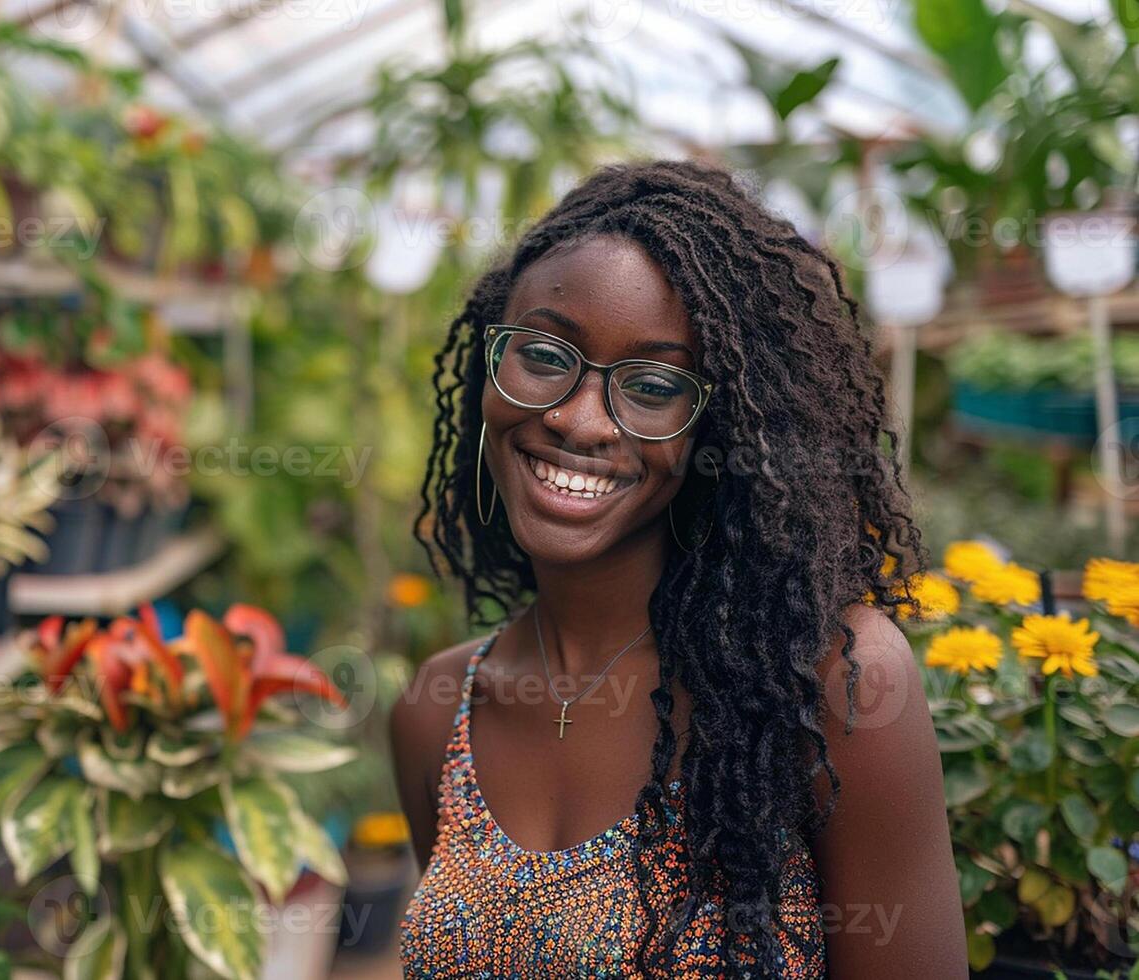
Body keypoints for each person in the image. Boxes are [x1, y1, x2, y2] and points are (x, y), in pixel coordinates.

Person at [391, 160, 965, 978]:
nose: (578, 419)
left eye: (654, 384)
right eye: (545, 355)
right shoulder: (434, 711)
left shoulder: (832, 685)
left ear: (718, 424)